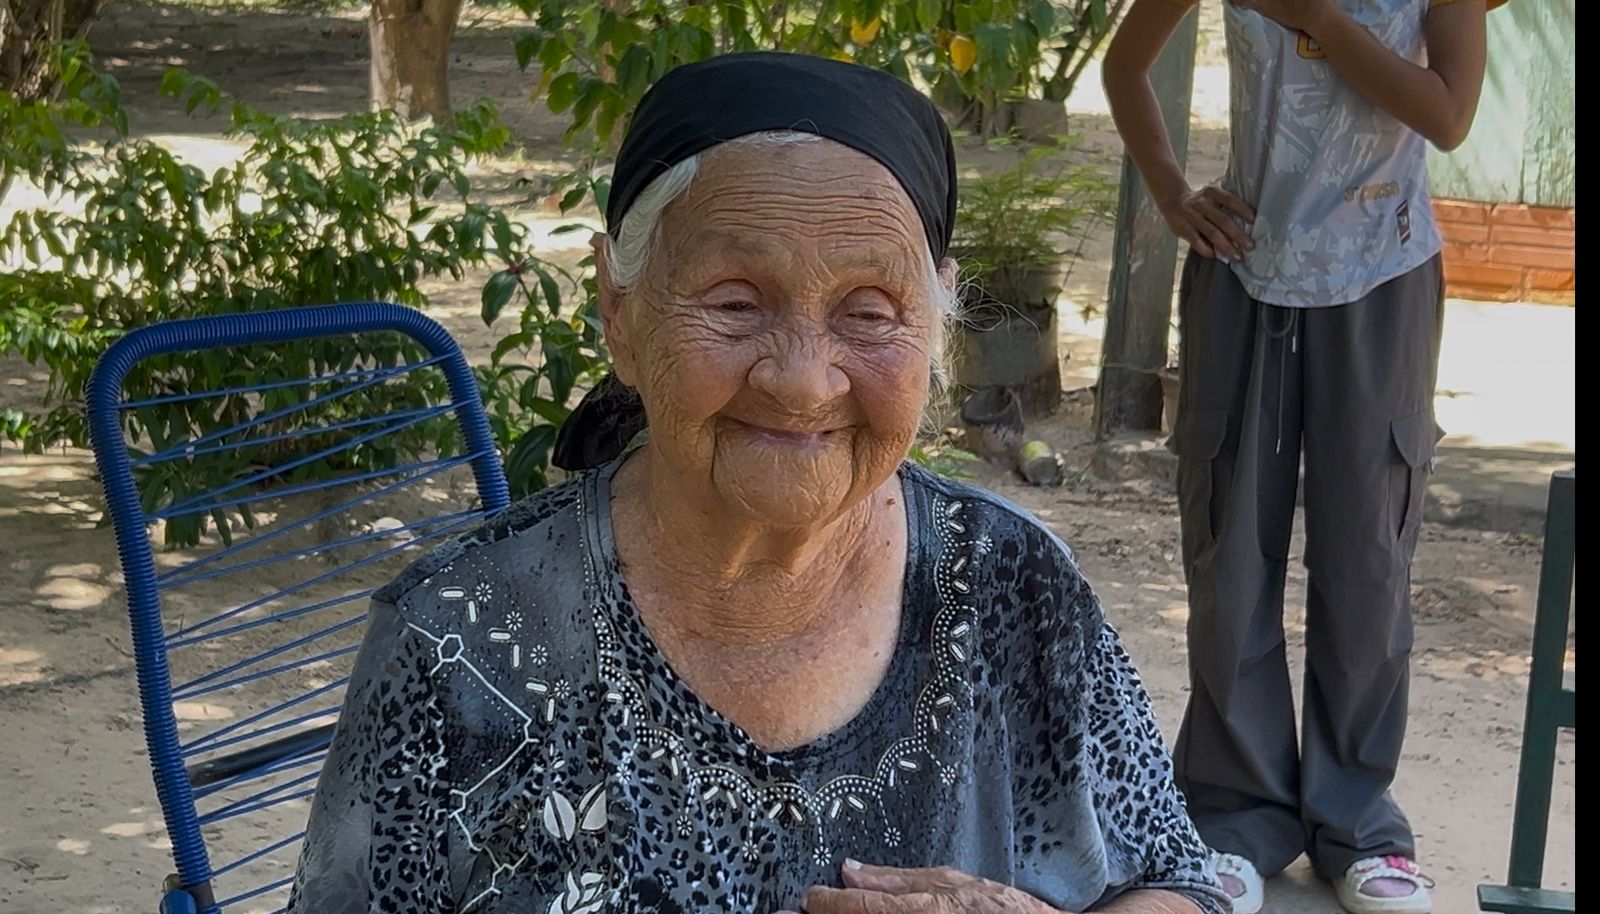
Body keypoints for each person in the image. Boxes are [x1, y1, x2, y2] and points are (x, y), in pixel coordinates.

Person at [288, 52, 1228, 914]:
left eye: (870, 311)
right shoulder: (456, 639)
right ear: (621, 314)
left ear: (934, 327)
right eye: (736, 304)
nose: (803, 380)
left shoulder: (1011, 582)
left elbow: (1180, 882)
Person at [1103, 1, 1499, 912]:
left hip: (1384, 273)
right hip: (1244, 269)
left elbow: (1448, 115)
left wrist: (1316, 14)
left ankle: (1359, 826)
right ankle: (1231, 819)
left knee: (1368, 557)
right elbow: (1125, 66)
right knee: (1229, 554)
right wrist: (1172, 191)